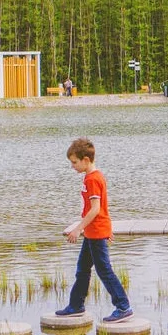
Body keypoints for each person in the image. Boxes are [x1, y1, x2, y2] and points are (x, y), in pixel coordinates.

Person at [53, 138, 133, 322]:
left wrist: (77, 229)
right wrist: (105, 228)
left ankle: (123, 306)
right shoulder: (91, 177)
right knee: (82, 269)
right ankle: (76, 305)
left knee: (104, 270)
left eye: (74, 162)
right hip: (93, 231)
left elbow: (96, 209)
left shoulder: (93, 179)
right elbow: (103, 207)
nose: (72, 166)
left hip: (94, 232)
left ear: (86, 160)